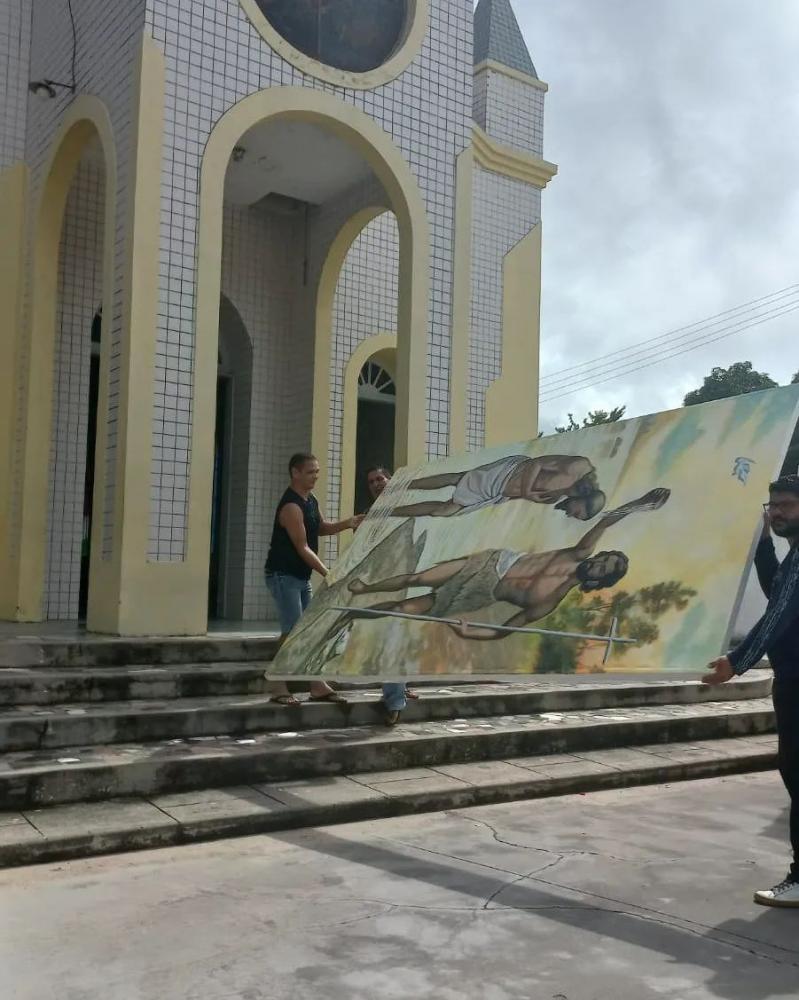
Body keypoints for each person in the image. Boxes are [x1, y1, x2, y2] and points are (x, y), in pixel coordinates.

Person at [328, 488, 669, 642]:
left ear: (598, 582)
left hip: (482, 592)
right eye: (603, 559)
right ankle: (365, 589)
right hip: (493, 561)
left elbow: (507, 628)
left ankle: (351, 615)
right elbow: (607, 520)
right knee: (420, 576)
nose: (598, 564)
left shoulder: (548, 603)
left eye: (604, 570)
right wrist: (640, 504)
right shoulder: (577, 552)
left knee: (407, 607)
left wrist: (469, 632)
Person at [703, 474, 799, 908]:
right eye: (771, 505)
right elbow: (777, 590)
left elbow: (779, 613)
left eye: (785, 505)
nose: (776, 512)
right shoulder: (794, 557)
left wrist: (736, 662)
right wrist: (762, 544)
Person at [265, 453, 362, 705]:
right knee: (291, 632)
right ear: (295, 473)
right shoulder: (291, 506)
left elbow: (320, 527)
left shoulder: (310, 500)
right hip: (283, 575)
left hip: (300, 576)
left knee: (309, 630)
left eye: (317, 472)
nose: (315, 476)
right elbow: (302, 546)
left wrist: (348, 523)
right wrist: (329, 574)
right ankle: (277, 686)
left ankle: (317, 685)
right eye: (310, 472)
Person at [362, 465, 419, 725]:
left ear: (391, 481)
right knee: (391, 642)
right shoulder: (370, 517)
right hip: (383, 590)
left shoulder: (408, 508)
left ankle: (399, 688)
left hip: (408, 586)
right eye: (372, 481)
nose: (376, 483)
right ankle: (395, 701)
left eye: (380, 479)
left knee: (400, 641)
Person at [389, 453, 606, 521]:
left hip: (497, 493)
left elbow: (519, 497)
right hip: (507, 472)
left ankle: (389, 511)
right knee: (457, 478)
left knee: (442, 511)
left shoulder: (557, 498)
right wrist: (528, 493)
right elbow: (535, 463)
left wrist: (507, 497)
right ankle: (397, 487)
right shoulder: (579, 467)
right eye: (576, 513)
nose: (570, 515)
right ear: (584, 500)